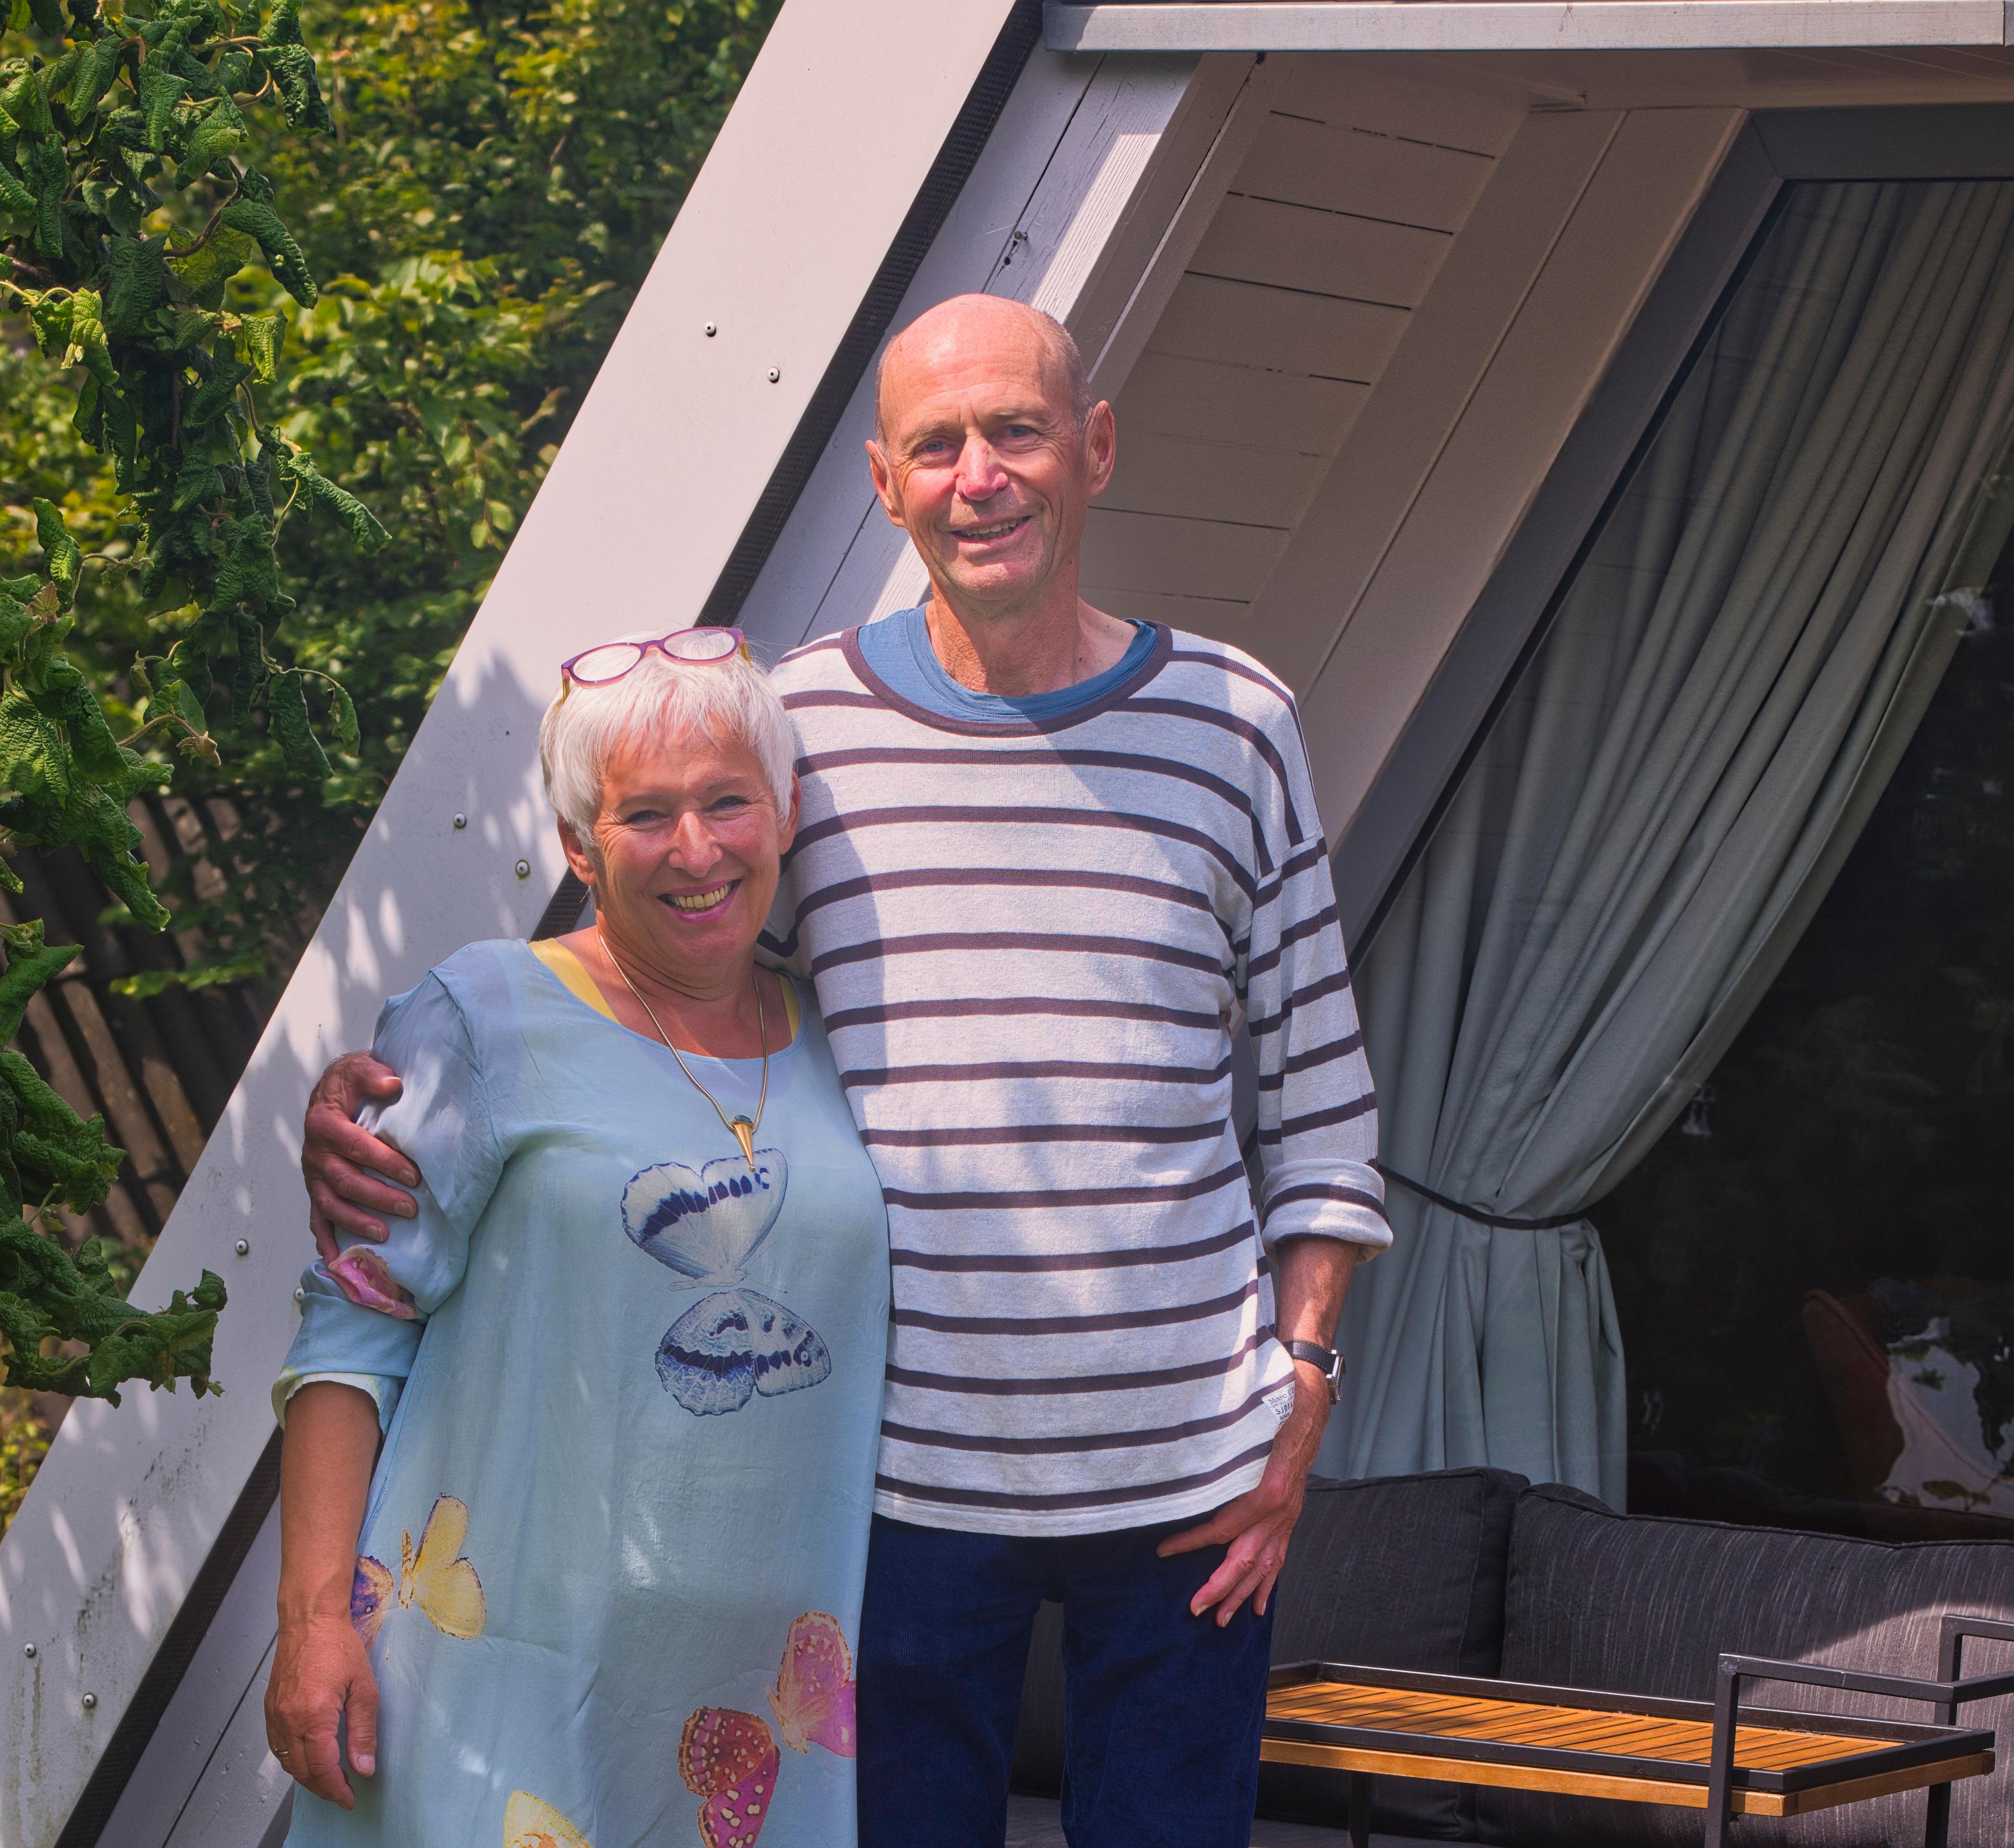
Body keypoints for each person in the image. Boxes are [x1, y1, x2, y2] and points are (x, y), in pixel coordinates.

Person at [302, 294, 1389, 1848]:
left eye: (1016, 430)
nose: (981, 476)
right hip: (887, 1495)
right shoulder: (796, 732)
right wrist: (391, 1103)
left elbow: (1325, 1100)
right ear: (884, 482)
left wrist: (1306, 1378)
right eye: (937, 444)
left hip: (1193, 1488)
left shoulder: (1238, 721)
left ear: (1093, 449)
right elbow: (650, 971)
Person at [264, 639, 890, 1848]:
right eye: (646, 814)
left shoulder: (847, 1031)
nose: (697, 849)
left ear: (786, 811)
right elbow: (348, 1330)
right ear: (578, 844)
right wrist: (314, 1624)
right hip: (491, 1680)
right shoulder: (482, 1015)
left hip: (758, 1723)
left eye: (726, 800)